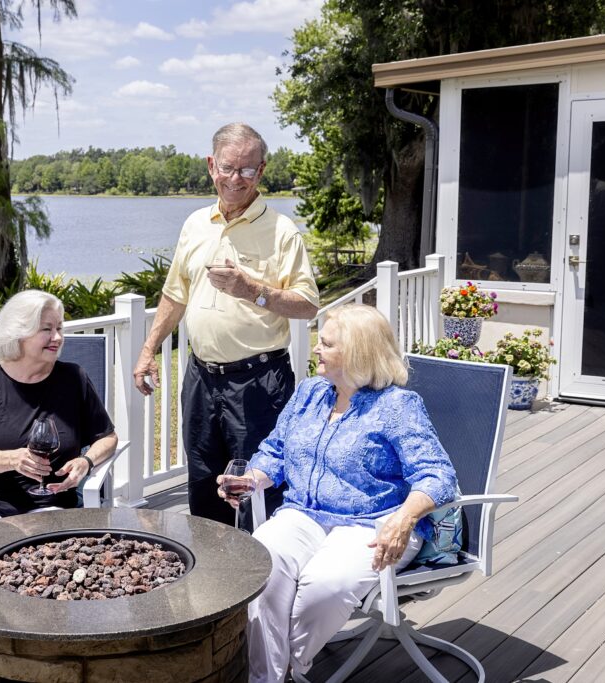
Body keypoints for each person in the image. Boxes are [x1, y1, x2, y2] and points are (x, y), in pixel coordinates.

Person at [219, 304, 459, 682]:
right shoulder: (310, 393)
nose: (316, 348)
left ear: (357, 353)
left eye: (326, 344)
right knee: (261, 567)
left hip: (374, 523)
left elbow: (437, 475)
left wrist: (404, 518)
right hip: (304, 514)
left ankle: (288, 667)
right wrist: (252, 479)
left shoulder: (397, 406)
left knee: (324, 585)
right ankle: (264, 677)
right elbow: (275, 452)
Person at [133, 122, 319, 526]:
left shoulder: (282, 232)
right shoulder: (196, 224)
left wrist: (252, 289)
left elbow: (307, 305)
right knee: (203, 487)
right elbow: (174, 294)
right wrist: (148, 349)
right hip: (201, 380)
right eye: (229, 168)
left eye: (248, 170)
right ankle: (213, 583)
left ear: (262, 171)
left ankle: (267, 582)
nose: (237, 179)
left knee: (259, 493)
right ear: (211, 166)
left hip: (259, 385)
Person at [0, 290, 118, 535]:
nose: (57, 337)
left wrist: (86, 461)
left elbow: (107, 437)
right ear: (18, 333)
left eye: (60, 328)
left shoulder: (73, 379)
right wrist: (12, 459)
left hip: (48, 503)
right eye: (46, 329)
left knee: (51, 561)